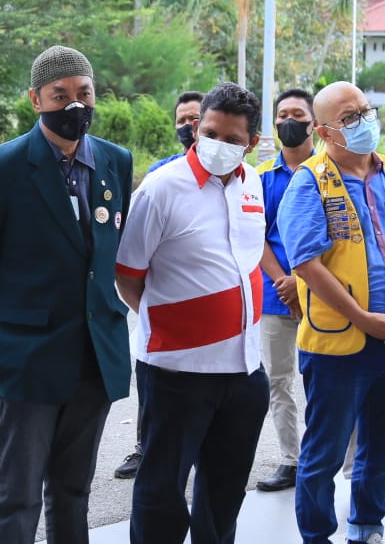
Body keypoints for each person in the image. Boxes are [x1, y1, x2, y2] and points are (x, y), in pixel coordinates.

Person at [0, 45, 134, 544]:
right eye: (60, 95)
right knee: (18, 492)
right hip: (30, 354)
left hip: (96, 352)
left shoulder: (115, 161)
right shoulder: (1, 167)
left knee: (72, 488)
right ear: (36, 99)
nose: (75, 105)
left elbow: (110, 251)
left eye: (84, 93)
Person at [279, 81, 385, 544]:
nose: (365, 121)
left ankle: (368, 528)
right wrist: (361, 316)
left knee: (382, 449)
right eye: (350, 117)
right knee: (325, 453)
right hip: (339, 344)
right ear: (324, 130)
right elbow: (307, 263)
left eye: (366, 110)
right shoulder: (310, 180)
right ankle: (316, 534)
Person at [116, 81, 270, 544]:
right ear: (197, 127)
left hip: (244, 372)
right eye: (210, 133)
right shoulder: (161, 189)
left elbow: (247, 260)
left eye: (232, 140)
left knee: (224, 495)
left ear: (253, 143)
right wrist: (171, 323)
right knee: (161, 491)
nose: (218, 146)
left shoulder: (254, 183)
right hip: (176, 373)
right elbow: (128, 275)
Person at [115, 89, 203, 480]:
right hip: (164, 312)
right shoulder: (160, 178)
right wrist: (154, 310)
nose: (189, 127)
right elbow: (131, 263)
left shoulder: (241, 178)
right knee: (154, 386)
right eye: (182, 120)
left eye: (196, 118)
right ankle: (143, 447)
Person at [253, 87, 319, 492]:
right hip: (275, 295)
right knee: (279, 381)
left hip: (325, 296)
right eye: (281, 115)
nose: (288, 121)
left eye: (297, 114)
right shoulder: (260, 178)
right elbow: (253, 235)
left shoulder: (330, 172)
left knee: (324, 381)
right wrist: (284, 281)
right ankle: (292, 460)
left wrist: (304, 281)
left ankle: (331, 461)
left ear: (314, 122)